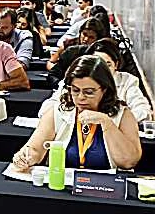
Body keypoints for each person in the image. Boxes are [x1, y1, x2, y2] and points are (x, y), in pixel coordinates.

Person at [13, 55, 141, 171]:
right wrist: (25, 157)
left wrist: (107, 123)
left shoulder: (123, 115)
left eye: (89, 92)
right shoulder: (58, 111)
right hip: (64, 183)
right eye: (75, 90)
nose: (80, 97)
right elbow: (35, 149)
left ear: (105, 89)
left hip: (106, 186)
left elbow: (128, 162)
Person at [39, 39, 151, 122]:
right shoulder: (76, 79)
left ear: (116, 64)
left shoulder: (127, 81)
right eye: (97, 65)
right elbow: (46, 109)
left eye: (107, 65)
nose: (101, 71)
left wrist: (105, 120)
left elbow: (143, 112)